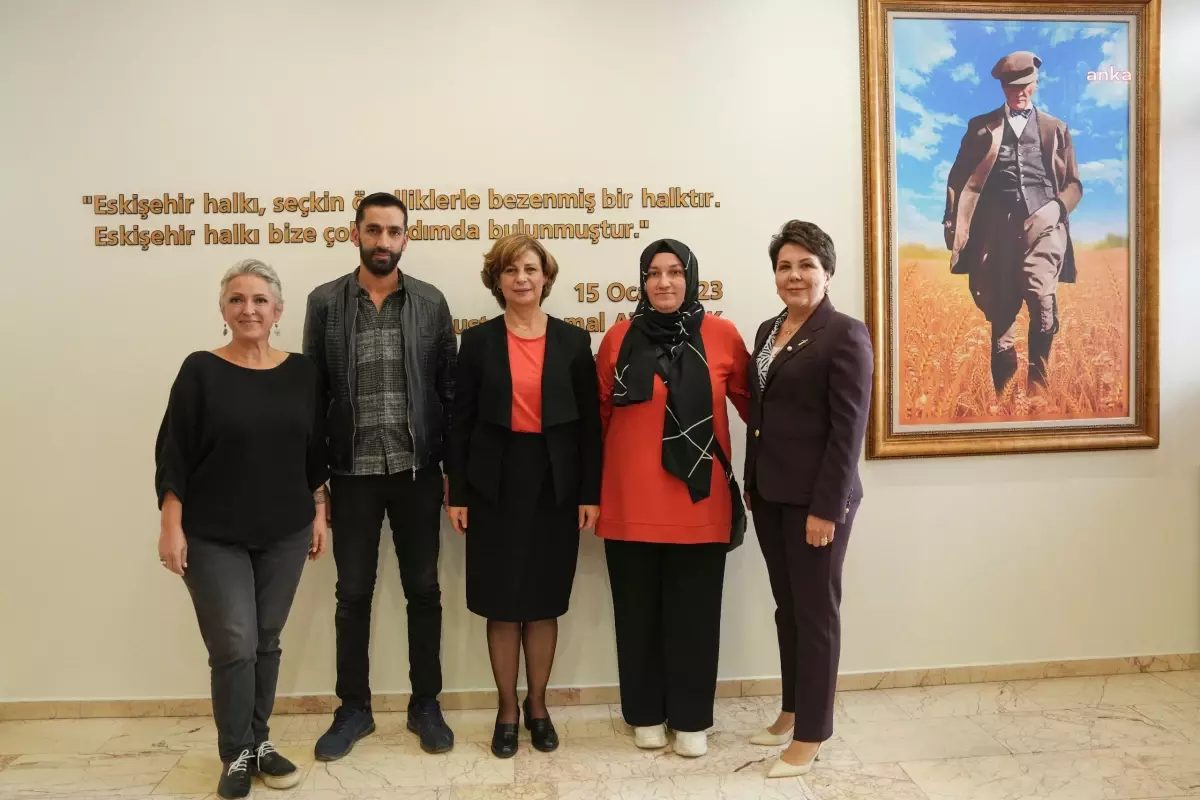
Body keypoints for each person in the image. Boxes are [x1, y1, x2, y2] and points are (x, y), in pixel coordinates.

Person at [155, 259, 329, 799]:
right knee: (235, 643)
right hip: (212, 534)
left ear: (278, 311)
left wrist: (319, 513)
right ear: (223, 309)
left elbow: (313, 453)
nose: (248, 309)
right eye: (237, 299)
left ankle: (258, 742)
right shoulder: (200, 370)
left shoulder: (302, 373)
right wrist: (170, 525)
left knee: (266, 640)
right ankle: (235, 753)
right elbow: (174, 452)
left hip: (286, 531)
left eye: (259, 300)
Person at [302, 191, 457, 759]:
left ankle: (426, 705)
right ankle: (354, 709)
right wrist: (316, 483)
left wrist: (452, 471)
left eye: (394, 231)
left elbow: (449, 391)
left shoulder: (430, 302)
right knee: (352, 594)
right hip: (351, 472)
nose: (383, 241)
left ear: (406, 238)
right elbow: (312, 397)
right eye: (374, 230)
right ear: (356, 234)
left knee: (425, 591)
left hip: (417, 471)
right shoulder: (325, 303)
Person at [446, 234, 601, 758]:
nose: (521, 278)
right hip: (493, 482)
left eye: (530, 269)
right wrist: (458, 491)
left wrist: (590, 492)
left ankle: (538, 706)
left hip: (555, 483)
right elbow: (460, 422)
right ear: (497, 280)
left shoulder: (574, 342)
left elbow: (589, 426)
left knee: (542, 601)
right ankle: (506, 709)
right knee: (501, 601)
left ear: (545, 277)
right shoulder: (478, 342)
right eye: (510, 270)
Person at [595, 238, 750, 758]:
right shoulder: (618, 338)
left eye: (675, 272)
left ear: (691, 278)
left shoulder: (722, 335)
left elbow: (757, 408)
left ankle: (691, 718)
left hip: (698, 504)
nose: (664, 282)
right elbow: (599, 417)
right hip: (628, 502)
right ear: (642, 281)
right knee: (636, 615)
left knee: (695, 618)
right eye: (654, 273)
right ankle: (643, 713)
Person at [743, 221, 872, 778]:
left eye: (806, 266)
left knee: (816, 614)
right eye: (784, 266)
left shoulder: (845, 334)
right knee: (788, 608)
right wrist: (752, 482)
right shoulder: (768, 329)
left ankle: (812, 733)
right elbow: (762, 414)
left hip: (817, 501)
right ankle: (792, 709)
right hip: (771, 494)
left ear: (827, 272)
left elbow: (848, 431)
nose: (793, 276)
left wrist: (827, 509)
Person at [943, 50, 1084, 395]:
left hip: (1044, 228)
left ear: (1036, 83)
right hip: (996, 234)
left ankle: (1038, 390)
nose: (1020, 92)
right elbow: (958, 178)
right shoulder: (980, 127)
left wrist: (1055, 210)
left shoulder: (1056, 128)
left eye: (1026, 85)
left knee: (1042, 299)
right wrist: (951, 221)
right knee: (1002, 312)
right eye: (1012, 87)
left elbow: (1074, 185)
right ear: (1002, 87)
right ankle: (1003, 401)